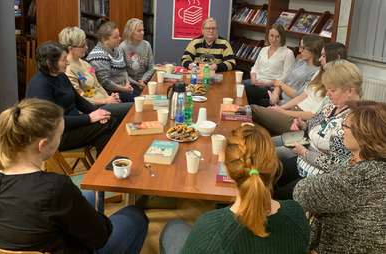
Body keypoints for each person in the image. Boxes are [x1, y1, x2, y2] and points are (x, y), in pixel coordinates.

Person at [0, 98, 149, 253]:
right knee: (135, 215)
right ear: (42, 145)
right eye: (59, 135)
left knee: (90, 195)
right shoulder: (55, 188)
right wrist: (96, 220)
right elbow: (101, 238)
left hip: (7, 243)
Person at [160, 124, 310, 254]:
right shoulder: (297, 214)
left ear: (227, 168)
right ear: (275, 167)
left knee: (173, 227)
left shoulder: (211, 228)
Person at [294, 100, 386, 254]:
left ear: (363, 135)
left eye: (345, 126)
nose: (341, 130)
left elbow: (301, 193)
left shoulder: (358, 177)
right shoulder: (369, 165)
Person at [274, 60, 363, 200]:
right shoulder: (331, 106)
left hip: (319, 179)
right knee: (267, 175)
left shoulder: (352, 120)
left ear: (350, 90)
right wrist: (303, 125)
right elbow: (312, 126)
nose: (328, 94)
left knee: (276, 196)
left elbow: (335, 165)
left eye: (332, 90)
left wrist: (304, 152)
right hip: (302, 162)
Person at [26, 41, 117, 157]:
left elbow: (78, 100)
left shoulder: (60, 75)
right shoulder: (39, 86)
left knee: (105, 124)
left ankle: (102, 167)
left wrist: (97, 112)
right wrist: (89, 118)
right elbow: (54, 122)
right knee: (110, 124)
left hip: (73, 125)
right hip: (57, 135)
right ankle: (105, 166)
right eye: (64, 60)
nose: (68, 63)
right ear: (49, 63)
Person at [251, 42, 347, 135]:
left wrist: (284, 111)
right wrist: (279, 108)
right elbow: (301, 97)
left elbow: (314, 114)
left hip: (300, 120)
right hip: (293, 111)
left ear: (337, 58)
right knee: (257, 125)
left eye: (324, 56)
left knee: (252, 110)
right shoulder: (319, 73)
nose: (320, 59)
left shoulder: (336, 85)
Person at [59, 26, 133, 123]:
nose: (86, 48)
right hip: (92, 109)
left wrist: (109, 98)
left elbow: (97, 85)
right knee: (133, 108)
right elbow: (80, 98)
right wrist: (105, 101)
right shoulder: (68, 69)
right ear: (71, 48)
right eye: (82, 46)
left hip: (103, 102)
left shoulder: (84, 63)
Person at [246, 33, 323, 107]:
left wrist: (281, 85)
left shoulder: (316, 72)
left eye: (303, 48)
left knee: (257, 103)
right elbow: (283, 79)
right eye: (300, 47)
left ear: (313, 50)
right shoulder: (301, 62)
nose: (300, 51)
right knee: (247, 91)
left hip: (287, 102)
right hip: (278, 94)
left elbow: (298, 95)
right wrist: (276, 92)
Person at [87, 19, 141, 102]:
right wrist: (124, 89)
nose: (120, 38)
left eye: (118, 35)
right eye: (116, 37)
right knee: (139, 103)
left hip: (124, 87)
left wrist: (127, 84)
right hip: (112, 93)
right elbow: (105, 82)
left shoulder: (117, 49)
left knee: (144, 99)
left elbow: (123, 70)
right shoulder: (98, 55)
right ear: (105, 40)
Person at [243, 23, 295, 92]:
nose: (273, 39)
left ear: (282, 38)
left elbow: (286, 77)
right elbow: (255, 67)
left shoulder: (288, 53)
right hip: (256, 82)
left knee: (247, 90)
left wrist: (266, 84)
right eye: (272, 36)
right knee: (238, 85)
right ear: (268, 36)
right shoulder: (264, 50)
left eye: (277, 37)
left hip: (272, 87)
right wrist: (253, 79)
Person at [119, 18, 155, 92]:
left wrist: (143, 80)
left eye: (143, 30)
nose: (142, 33)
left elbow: (151, 67)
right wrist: (136, 83)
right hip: (130, 84)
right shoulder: (122, 47)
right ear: (130, 32)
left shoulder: (146, 45)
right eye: (139, 31)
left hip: (145, 81)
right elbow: (122, 72)